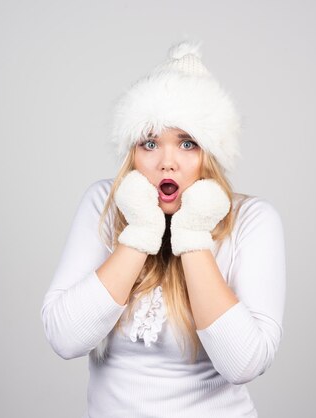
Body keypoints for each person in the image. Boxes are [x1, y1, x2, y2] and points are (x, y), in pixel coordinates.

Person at [40, 40, 286, 418]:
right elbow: (65, 338)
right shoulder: (105, 204)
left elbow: (244, 364)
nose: (166, 163)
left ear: (211, 155)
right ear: (132, 152)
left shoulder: (252, 219)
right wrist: (140, 231)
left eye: (187, 143)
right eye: (150, 143)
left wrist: (191, 235)